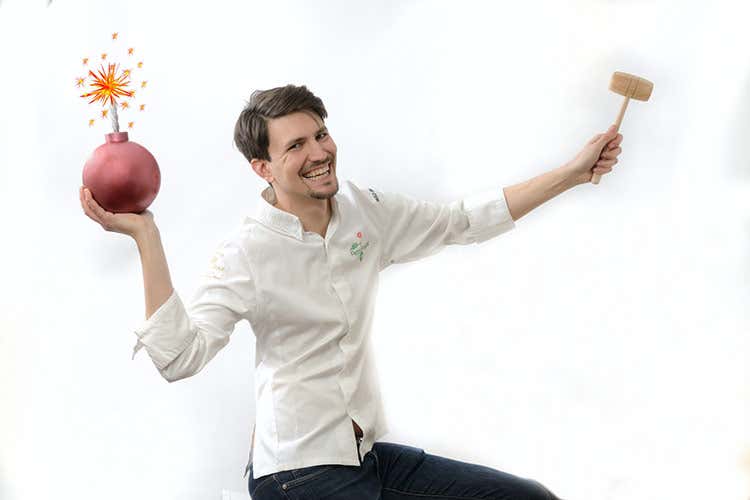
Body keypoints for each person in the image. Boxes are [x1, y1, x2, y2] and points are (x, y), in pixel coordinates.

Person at [79, 84, 623, 500]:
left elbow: (461, 221)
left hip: (361, 458)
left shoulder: (365, 211)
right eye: (296, 145)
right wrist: (147, 237)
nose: (319, 152)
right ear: (262, 167)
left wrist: (572, 174)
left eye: (320, 134)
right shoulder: (247, 251)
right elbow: (181, 357)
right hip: (297, 476)